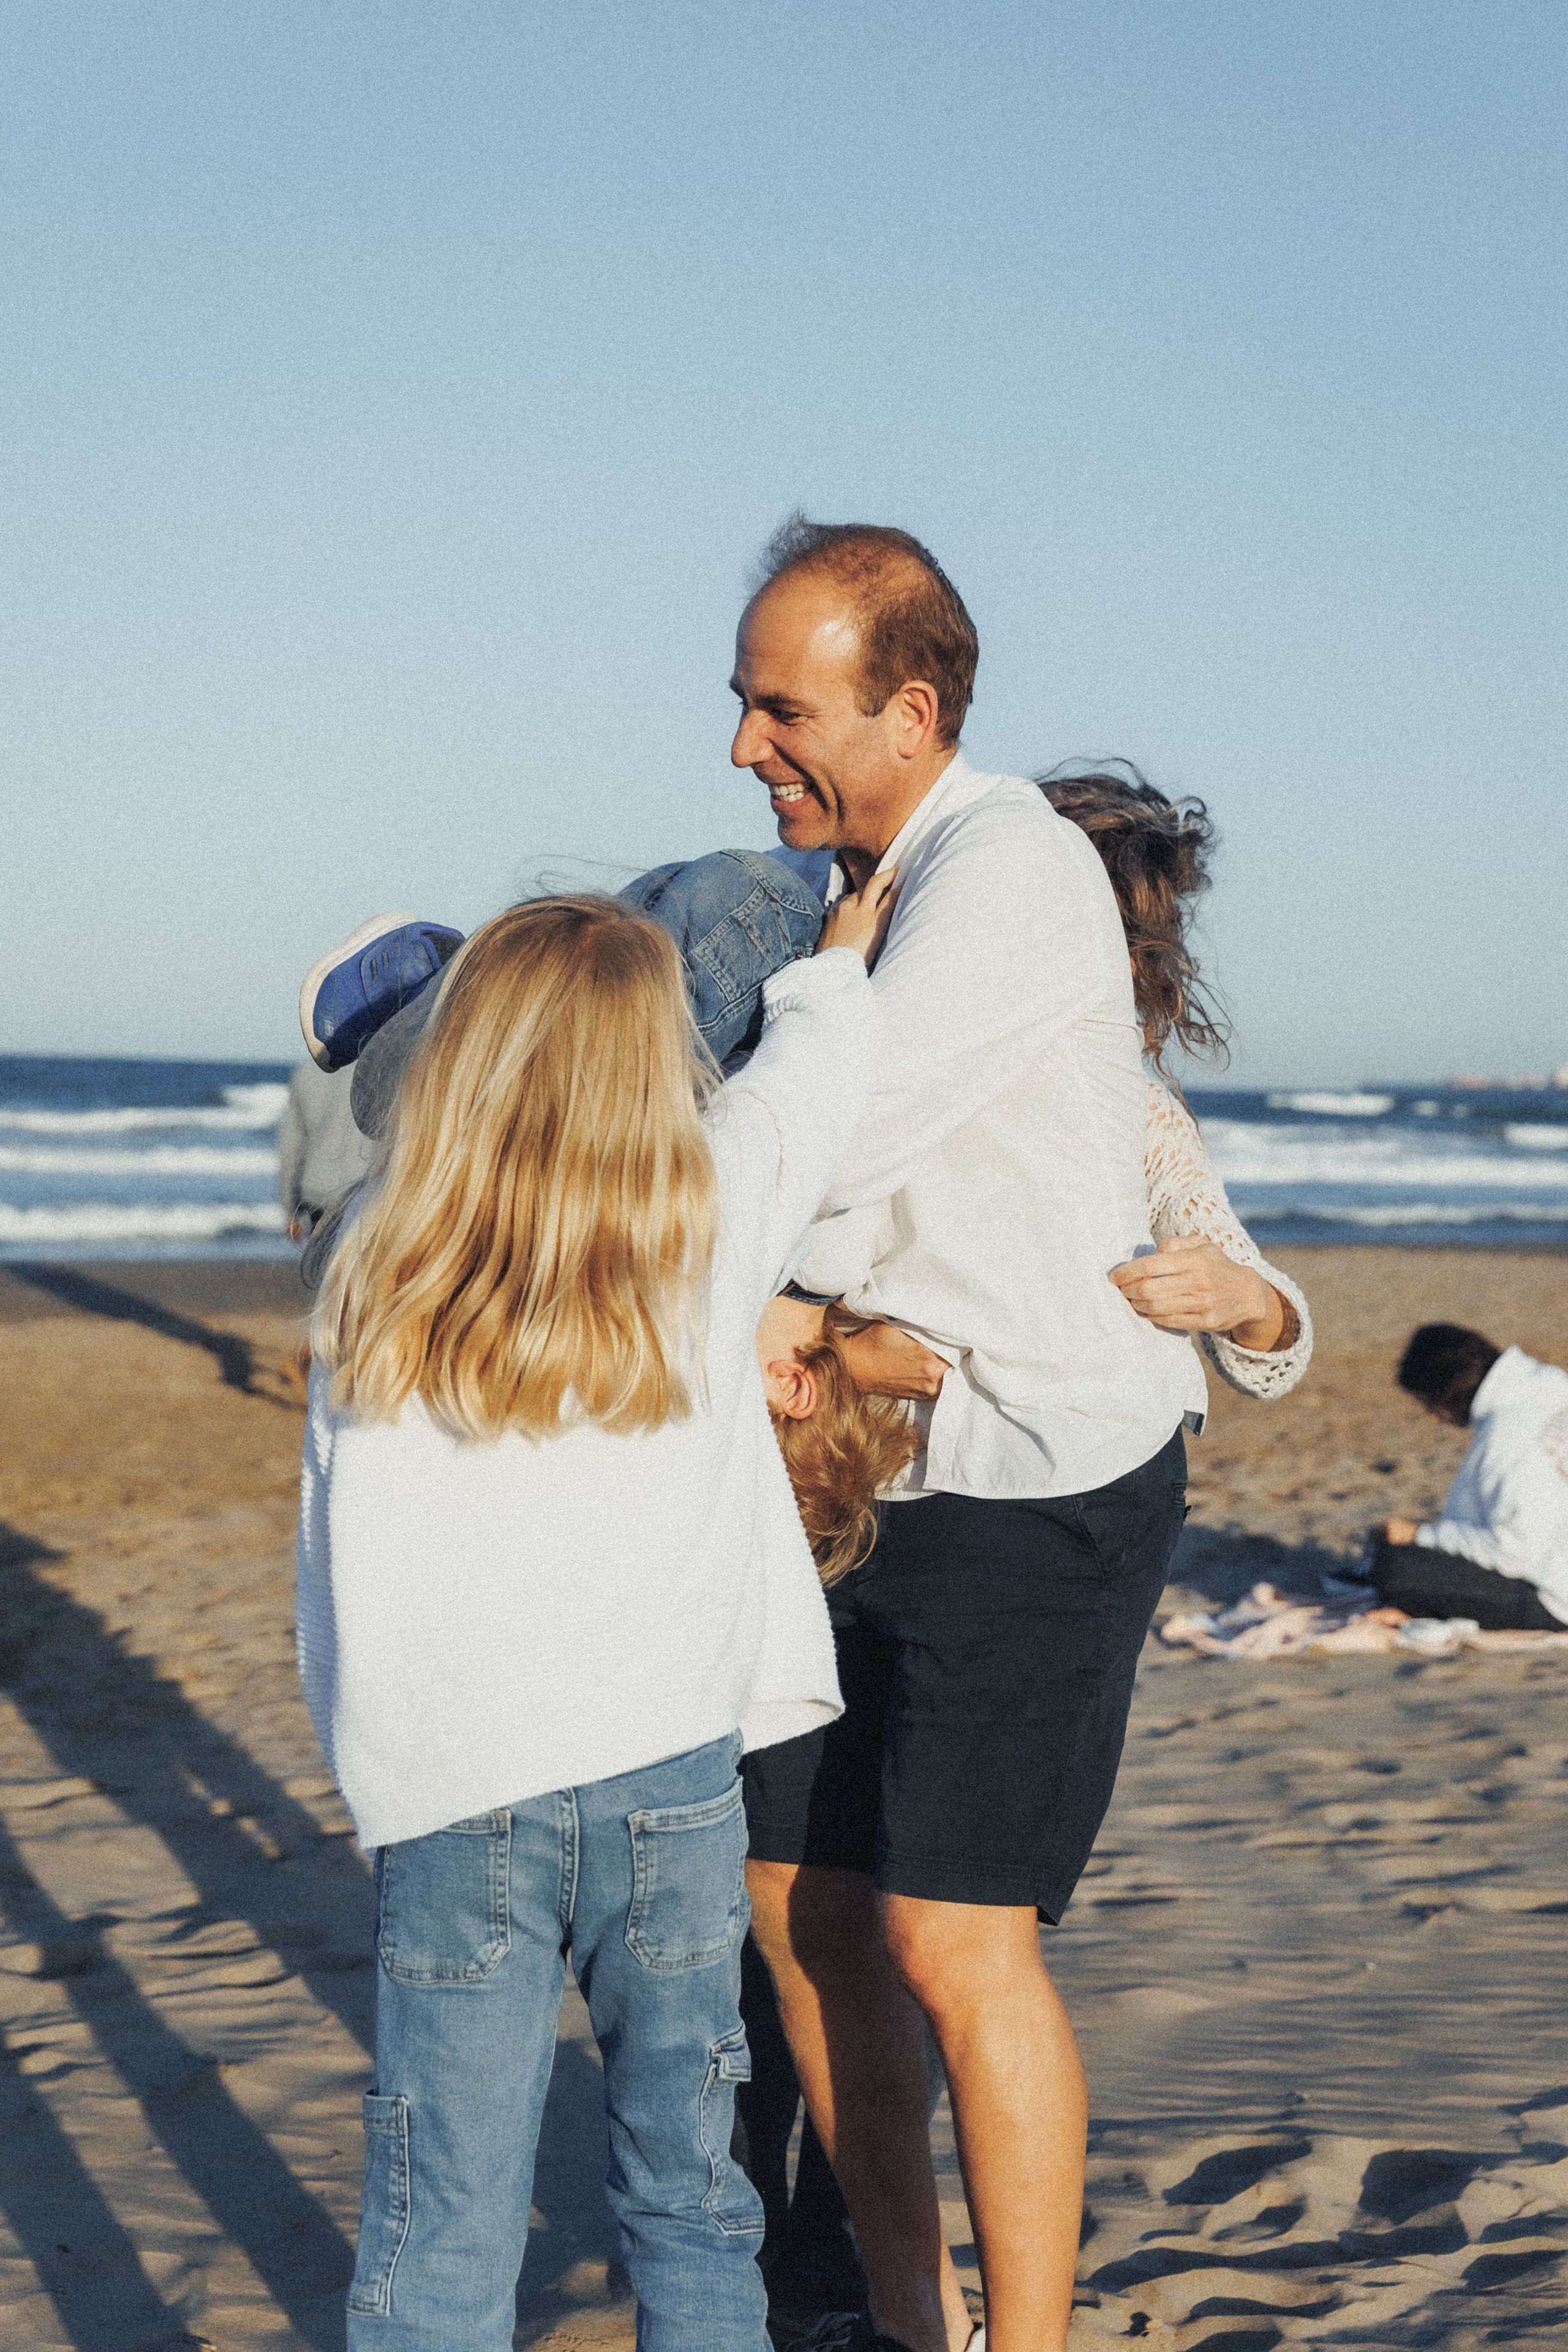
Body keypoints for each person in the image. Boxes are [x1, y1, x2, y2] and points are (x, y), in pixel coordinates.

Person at [295, 878, 895, 2352]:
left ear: (457, 1053)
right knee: (688, 2196)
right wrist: (834, 962)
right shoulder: (711, 1208)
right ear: (657, 1061)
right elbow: (811, 1081)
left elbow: (333, 1538)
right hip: (665, 1778)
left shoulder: (374, 1254)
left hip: (455, 1786)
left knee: (441, 2211)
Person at [725, 515, 1199, 2352]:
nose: (744, 744)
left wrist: (787, 1287)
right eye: (743, 702)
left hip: (1032, 1475)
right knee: (800, 1904)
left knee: (948, 1932)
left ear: (908, 711)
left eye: (782, 708)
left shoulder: (1000, 869)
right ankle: (911, 2320)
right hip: (862, 1460)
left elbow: (819, 1143)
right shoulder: (850, 885)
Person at [1366, 1322, 1568, 1630]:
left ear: (1449, 1391)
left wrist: (1421, 1536)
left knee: (1396, 1569)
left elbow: (1517, 1553)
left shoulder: (1507, 1435)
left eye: (1431, 1403)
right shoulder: (1553, 1387)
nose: (1433, 1418)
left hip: (1556, 1596)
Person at [275, 1057, 377, 1242]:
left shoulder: (305, 1073)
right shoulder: (377, 1067)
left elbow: (291, 1149)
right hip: (366, 1191)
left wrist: (290, 1211)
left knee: (325, 1258)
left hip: (319, 1191)